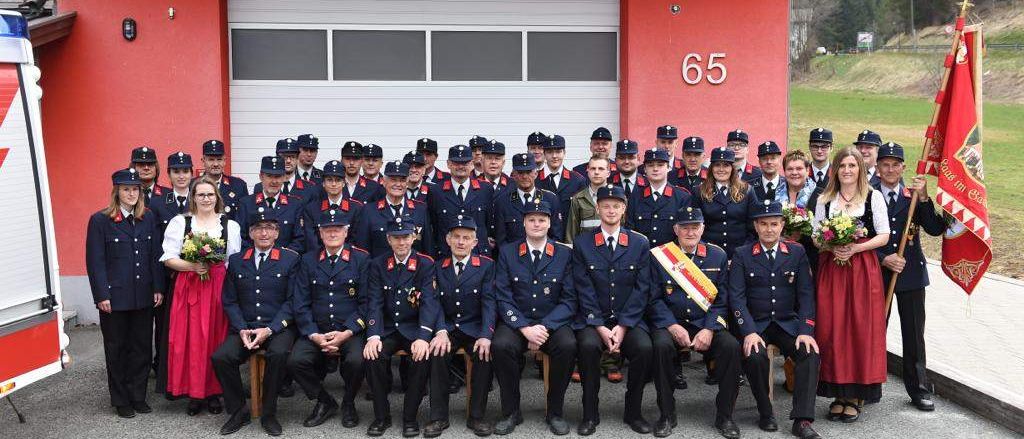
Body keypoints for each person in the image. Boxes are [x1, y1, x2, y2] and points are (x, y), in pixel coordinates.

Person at [729, 200, 821, 439]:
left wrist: (805, 331)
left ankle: (802, 420)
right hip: (756, 325)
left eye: (774, 224)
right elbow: (736, 299)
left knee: (809, 354)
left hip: (786, 323)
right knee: (755, 356)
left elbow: (806, 296)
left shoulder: (797, 252)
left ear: (782, 226)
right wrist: (748, 331)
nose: (769, 229)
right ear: (756, 227)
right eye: (764, 224)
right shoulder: (742, 254)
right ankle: (766, 411)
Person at [648, 206, 742, 439]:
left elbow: (722, 300)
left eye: (695, 227)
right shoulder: (660, 256)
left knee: (731, 347)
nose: (690, 232)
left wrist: (709, 328)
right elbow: (653, 298)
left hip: (705, 322)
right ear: (675, 229)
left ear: (703, 228)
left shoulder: (717, 255)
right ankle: (666, 414)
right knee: (660, 346)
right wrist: (672, 326)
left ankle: (725, 415)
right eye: (684, 228)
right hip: (673, 322)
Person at [812, 146, 890, 423]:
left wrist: (855, 248)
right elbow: (816, 237)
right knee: (833, 328)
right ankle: (838, 394)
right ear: (835, 170)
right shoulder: (825, 198)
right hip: (833, 268)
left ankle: (856, 395)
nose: (847, 170)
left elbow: (884, 235)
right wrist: (831, 244)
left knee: (859, 328)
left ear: (860, 169)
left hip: (862, 271)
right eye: (842, 165)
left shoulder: (873, 197)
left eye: (852, 165)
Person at [572, 185, 654, 436]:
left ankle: (633, 412)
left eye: (616, 205)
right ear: (597, 208)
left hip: (627, 320)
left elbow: (642, 289)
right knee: (587, 347)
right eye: (605, 205)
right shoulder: (583, 243)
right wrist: (599, 325)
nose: (610, 210)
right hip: (592, 319)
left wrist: (623, 325)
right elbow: (582, 287)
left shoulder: (639, 243)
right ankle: (589, 413)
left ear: (624, 209)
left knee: (643, 348)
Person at [491, 200, 577, 436]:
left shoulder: (563, 253)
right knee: (500, 345)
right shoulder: (508, 252)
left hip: (552, 322)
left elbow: (570, 299)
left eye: (541, 220)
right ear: (523, 223)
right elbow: (503, 297)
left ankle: (555, 412)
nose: (536, 224)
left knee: (568, 345)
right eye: (531, 220)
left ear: (549, 223)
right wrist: (524, 328)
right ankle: (511, 412)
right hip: (517, 322)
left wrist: (544, 327)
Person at [86, 168, 166, 418]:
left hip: (143, 295)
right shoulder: (100, 220)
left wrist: (158, 287)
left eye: (135, 189)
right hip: (115, 298)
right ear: (116, 192)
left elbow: (155, 256)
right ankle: (121, 399)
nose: (131, 193)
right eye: (126, 189)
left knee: (141, 348)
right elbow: (95, 261)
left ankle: (138, 396)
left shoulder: (148, 218)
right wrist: (101, 296)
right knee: (117, 349)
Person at [212, 208, 300, 436]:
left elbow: (293, 301)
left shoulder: (290, 259)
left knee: (279, 355)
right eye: (258, 228)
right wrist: (242, 329)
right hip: (246, 327)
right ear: (250, 233)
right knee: (221, 357)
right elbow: (229, 301)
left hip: (278, 328)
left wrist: (270, 330)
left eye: (269, 228)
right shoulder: (237, 260)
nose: (264, 233)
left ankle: (269, 413)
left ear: (277, 233)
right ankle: (239, 411)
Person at [873, 142, 945, 412]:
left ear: (904, 167)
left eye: (895, 164)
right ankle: (871, 385)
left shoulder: (912, 195)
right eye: (885, 164)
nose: (890, 169)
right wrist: (883, 258)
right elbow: (863, 235)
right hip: (878, 274)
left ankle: (918, 389)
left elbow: (935, 228)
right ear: (878, 168)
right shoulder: (869, 194)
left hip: (911, 275)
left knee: (914, 335)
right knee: (875, 331)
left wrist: (925, 198)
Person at [160, 179, 242, 415]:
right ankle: (194, 393)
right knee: (191, 340)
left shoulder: (230, 225)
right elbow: (168, 258)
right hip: (190, 285)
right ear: (193, 197)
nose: (206, 199)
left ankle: (214, 392)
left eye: (210, 194)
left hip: (218, 286)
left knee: (215, 339)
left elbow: (232, 261)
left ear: (217, 197)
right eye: (201, 194)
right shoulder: (181, 222)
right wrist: (193, 266)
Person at [288, 209, 370, 429]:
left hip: (348, 329)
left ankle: (349, 403)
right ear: (320, 234)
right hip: (317, 329)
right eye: (327, 229)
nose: (332, 233)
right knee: (296, 361)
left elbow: (366, 303)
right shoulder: (308, 260)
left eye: (337, 229)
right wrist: (314, 334)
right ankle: (325, 401)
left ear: (346, 232)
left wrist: (346, 333)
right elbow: (301, 303)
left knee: (357, 360)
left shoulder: (361, 259)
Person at [363, 216, 440, 437]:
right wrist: (373, 335)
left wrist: (424, 337)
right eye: (396, 238)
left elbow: (429, 302)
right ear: (388, 239)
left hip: (414, 328)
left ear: (414, 237)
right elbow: (375, 302)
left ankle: (410, 417)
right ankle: (381, 416)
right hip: (387, 328)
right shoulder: (378, 264)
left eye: (405, 237)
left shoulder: (425, 263)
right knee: (372, 356)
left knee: (422, 357)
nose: (401, 242)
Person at [424, 217, 497, 437]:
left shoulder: (486, 265)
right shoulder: (438, 266)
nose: (461, 242)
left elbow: (489, 302)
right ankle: (438, 417)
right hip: (447, 327)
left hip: (474, 326)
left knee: (484, 354)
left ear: (475, 242)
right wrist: (440, 331)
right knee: (437, 352)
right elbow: (433, 302)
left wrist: (486, 335)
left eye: (467, 238)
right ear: (448, 240)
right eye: (456, 237)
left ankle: (476, 416)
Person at [150, 151, 194, 390]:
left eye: (185, 171)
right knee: (167, 330)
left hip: (196, 278)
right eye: (176, 171)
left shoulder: (199, 198)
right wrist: (157, 284)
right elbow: (155, 248)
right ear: (168, 174)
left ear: (191, 173)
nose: (181, 176)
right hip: (168, 277)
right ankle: (166, 375)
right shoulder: (158, 203)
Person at [432, 145, 495, 257]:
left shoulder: (486, 189)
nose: (460, 166)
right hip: (446, 256)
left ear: (471, 164)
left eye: (465, 163)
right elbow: (434, 226)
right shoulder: (436, 191)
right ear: (448, 164)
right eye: (456, 163)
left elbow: (490, 223)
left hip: (479, 255)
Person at [694, 147, 756, 258]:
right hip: (709, 255)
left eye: (726, 165)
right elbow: (695, 226)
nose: (721, 169)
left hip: (741, 254)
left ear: (732, 168)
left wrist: (743, 252)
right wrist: (708, 252)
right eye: (717, 165)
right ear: (711, 168)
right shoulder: (699, 191)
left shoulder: (747, 190)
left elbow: (753, 228)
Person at [363, 161, 433, 257]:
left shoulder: (420, 209)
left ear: (407, 182)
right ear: (383, 181)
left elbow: (427, 249)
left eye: (402, 180)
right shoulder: (369, 211)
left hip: (414, 270)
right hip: (379, 270)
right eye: (393, 180)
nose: (398, 184)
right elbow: (363, 251)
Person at [236, 156, 306, 253]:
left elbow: (300, 239)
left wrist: (284, 257)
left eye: (278, 176)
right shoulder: (246, 203)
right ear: (261, 176)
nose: (274, 181)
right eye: (269, 176)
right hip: (253, 263)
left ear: (284, 177)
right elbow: (240, 237)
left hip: (285, 264)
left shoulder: (295, 205)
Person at [625, 149, 692, 247]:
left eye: (660, 165)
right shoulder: (636, 196)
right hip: (642, 255)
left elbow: (685, 231)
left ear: (668, 167)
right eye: (651, 165)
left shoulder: (682, 197)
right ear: (644, 169)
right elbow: (630, 231)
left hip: (671, 256)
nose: (655, 169)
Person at [493, 153, 561, 247]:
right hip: (512, 259)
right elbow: (501, 240)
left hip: (544, 258)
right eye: (520, 173)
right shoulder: (502, 202)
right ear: (514, 175)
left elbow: (556, 236)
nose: (525, 176)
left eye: (528, 172)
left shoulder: (550, 199)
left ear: (535, 174)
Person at [301, 160, 366, 255]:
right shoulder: (311, 209)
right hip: (318, 261)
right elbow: (312, 242)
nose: (334, 184)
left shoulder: (356, 208)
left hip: (348, 261)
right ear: (323, 183)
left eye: (338, 180)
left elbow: (356, 240)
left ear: (344, 183)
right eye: (329, 180)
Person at [537, 134, 586, 225]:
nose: (554, 156)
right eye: (550, 152)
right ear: (544, 154)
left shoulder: (577, 180)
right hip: (544, 237)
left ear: (564, 153)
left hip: (570, 236)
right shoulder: (535, 180)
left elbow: (583, 214)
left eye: (558, 151)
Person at [254, 138, 320, 205]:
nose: (288, 161)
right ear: (277, 157)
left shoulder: (310, 189)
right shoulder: (260, 187)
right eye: (284, 157)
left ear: (297, 158)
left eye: (292, 157)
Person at [197, 139, 249, 221]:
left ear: (224, 160)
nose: (215, 164)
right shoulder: (193, 185)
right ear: (203, 161)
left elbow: (245, 218)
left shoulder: (238, 186)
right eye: (211, 159)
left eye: (219, 159)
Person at [565, 156, 612, 244]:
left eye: (601, 169)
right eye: (593, 168)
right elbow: (571, 233)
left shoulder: (617, 198)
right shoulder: (578, 199)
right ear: (588, 171)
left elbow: (623, 228)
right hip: (586, 253)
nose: (596, 172)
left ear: (608, 173)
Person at [807, 128, 833, 192]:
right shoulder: (803, 173)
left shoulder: (836, 173)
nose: (819, 151)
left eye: (824, 147)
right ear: (809, 147)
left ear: (831, 148)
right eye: (815, 146)